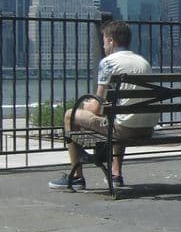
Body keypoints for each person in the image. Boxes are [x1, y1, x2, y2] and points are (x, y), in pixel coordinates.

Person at [48, 21, 159, 190]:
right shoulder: (143, 62)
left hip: (125, 130)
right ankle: (115, 174)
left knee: (70, 115)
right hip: (148, 128)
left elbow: (97, 106)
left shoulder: (108, 62)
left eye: (104, 40)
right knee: (119, 114)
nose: (103, 44)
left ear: (112, 41)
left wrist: (86, 105)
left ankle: (77, 177)